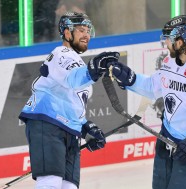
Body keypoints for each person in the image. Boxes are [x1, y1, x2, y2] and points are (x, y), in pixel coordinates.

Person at [109, 15, 186, 188]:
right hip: (166, 139)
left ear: (180, 41)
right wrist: (130, 78)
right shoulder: (169, 62)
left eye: (168, 39)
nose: (165, 43)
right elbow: (152, 86)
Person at [19, 12, 119, 189]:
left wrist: (85, 126)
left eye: (88, 31)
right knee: (50, 182)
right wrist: (94, 69)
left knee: (69, 186)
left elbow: (71, 101)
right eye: (81, 30)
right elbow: (74, 79)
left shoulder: (79, 64)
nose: (86, 35)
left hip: (69, 129)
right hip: (47, 122)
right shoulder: (61, 54)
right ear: (66, 33)